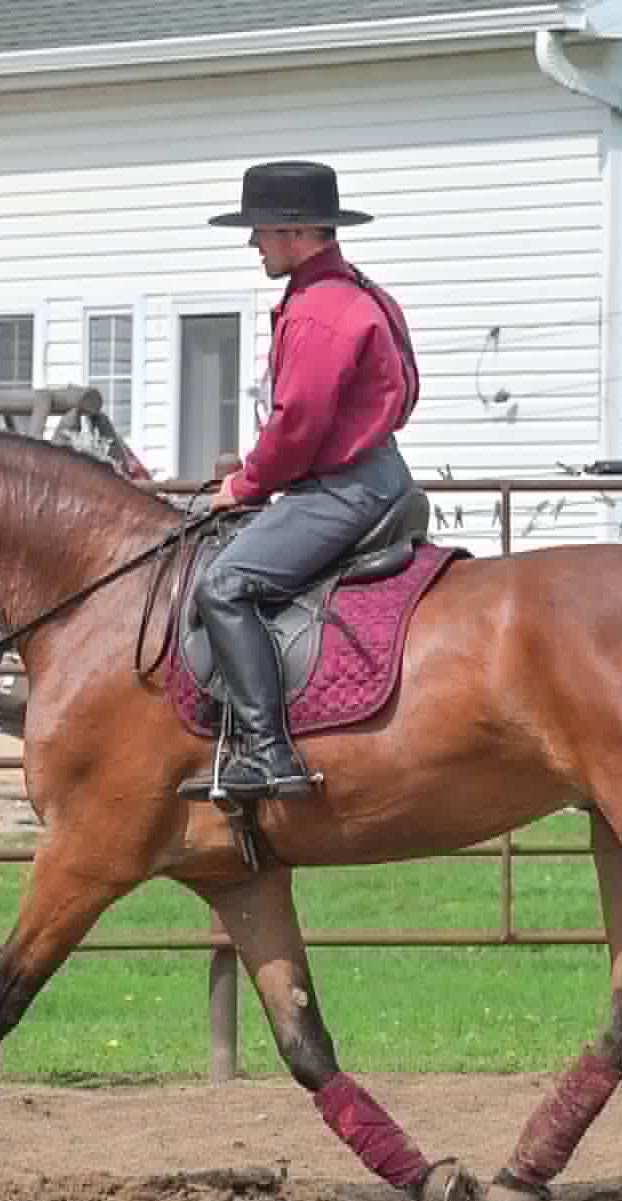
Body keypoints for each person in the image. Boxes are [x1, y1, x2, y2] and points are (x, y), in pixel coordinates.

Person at [192, 159, 422, 801]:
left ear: (295, 231)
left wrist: (245, 485)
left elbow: (299, 423)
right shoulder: (362, 293)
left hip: (343, 488)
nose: (252, 242)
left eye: (259, 229)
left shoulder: (320, 311)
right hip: (370, 471)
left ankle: (269, 755)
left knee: (224, 585)